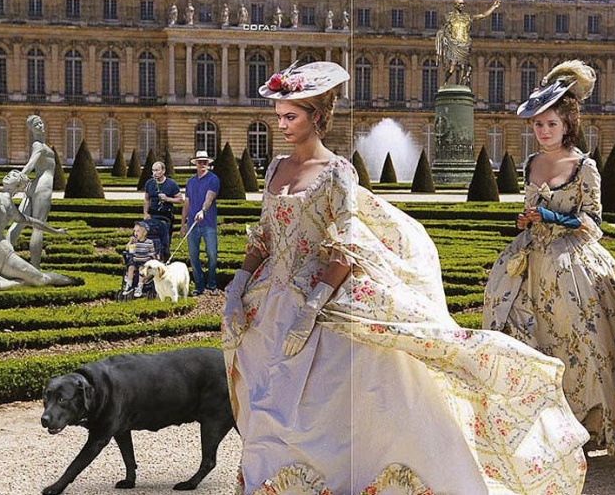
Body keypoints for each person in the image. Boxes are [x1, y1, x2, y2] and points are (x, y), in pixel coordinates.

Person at [221, 61, 589, 494]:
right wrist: (239, 284)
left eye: (290, 116)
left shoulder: (338, 171)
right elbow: (264, 236)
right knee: (264, 403)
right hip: (270, 301)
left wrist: (312, 308)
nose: (281, 125)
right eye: (279, 116)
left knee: (325, 406)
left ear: (316, 117)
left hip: (319, 299)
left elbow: (346, 246)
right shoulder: (275, 168)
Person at [481, 60, 615, 454]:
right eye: (538, 124)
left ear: (567, 125)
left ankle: (584, 423)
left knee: (580, 341)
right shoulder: (531, 163)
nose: (543, 131)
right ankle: (537, 418)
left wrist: (552, 217)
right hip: (532, 259)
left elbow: (593, 223)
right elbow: (529, 212)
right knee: (521, 333)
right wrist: (526, 220)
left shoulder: (585, 166)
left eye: (551, 124)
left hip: (572, 263)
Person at [0, 170, 74, 290]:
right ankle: (8, 284)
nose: (8, 175)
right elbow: (33, 221)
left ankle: (73, 280)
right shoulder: (9, 206)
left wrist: (55, 231)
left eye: (14, 175)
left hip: (2, 256)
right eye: (9, 174)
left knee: (41, 279)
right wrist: (54, 231)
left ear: (18, 186)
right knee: (40, 279)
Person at [7, 114, 55, 269]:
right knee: (38, 227)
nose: (41, 126)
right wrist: (19, 177)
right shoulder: (38, 145)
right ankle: (35, 268)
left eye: (41, 123)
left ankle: (4, 258)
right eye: (36, 125)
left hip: (34, 185)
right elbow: (31, 163)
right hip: (43, 186)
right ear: (31, 129)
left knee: (18, 223)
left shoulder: (40, 144)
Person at [435, 0, 500, 86]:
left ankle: (461, 85)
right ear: (455, 5)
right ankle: (446, 82)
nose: (462, 5)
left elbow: (483, 15)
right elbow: (444, 29)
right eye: (460, 4)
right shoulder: (449, 17)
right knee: (452, 67)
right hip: (454, 44)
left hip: (464, 44)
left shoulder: (467, 17)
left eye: (463, 4)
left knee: (465, 67)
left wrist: (493, 7)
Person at [180, 150, 219, 296]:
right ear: (195, 164)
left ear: (208, 164)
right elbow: (187, 203)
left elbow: (209, 197)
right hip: (192, 224)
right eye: (200, 162)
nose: (202, 164)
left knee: (212, 255)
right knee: (193, 256)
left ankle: (212, 284)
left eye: (205, 162)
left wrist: (203, 210)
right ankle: (199, 286)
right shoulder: (190, 181)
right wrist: (182, 224)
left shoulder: (213, 179)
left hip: (208, 224)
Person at [143, 160, 183, 260]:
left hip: (166, 216)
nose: (154, 173)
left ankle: (164, 261)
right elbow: (146, 199)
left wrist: (167, 199)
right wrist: (145, 213)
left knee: (165, 243)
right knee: (152, 241)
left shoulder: (171, 184)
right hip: (153, 215)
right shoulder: (149, 183)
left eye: (157, 170)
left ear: (163, 171)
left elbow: (180, 199)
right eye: (153, 170)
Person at [123, 221, 157, 298]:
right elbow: (127, 249)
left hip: (144, 262)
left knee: (141, 269)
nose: (135, 233)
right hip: (135, 261)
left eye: (138, 231)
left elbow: (152, 253)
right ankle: (129, 285)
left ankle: (139, 287)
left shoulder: (149, 242)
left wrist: (154, 258)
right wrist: (130, 242)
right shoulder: (134, 242)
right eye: (134, 231)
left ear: (144, 233)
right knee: (130, 268)